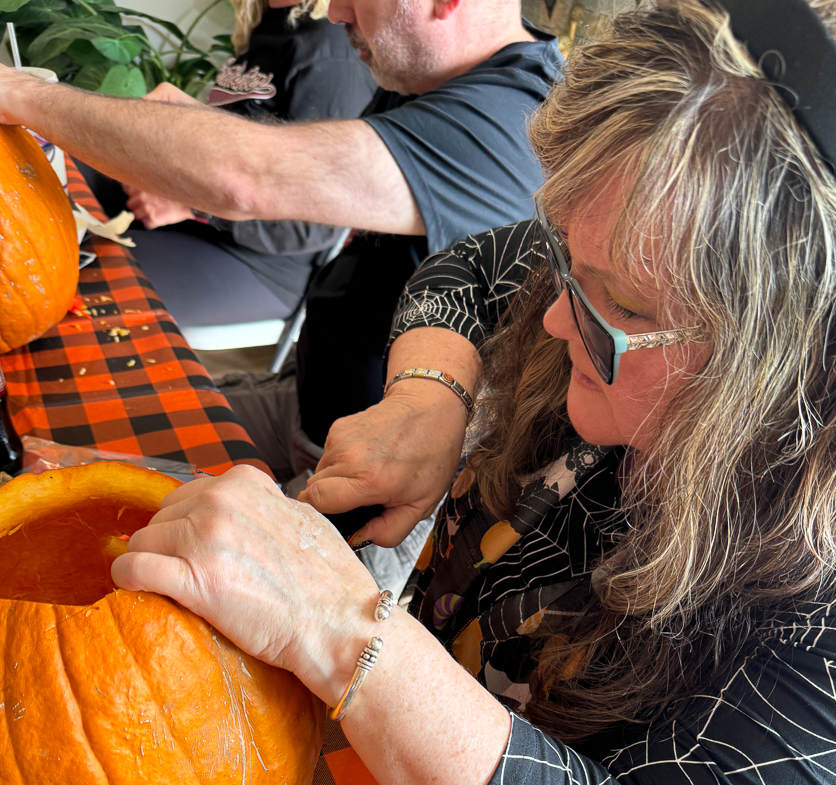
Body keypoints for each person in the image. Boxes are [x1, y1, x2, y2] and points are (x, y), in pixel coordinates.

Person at [28, 0, 836, 785]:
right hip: (421, 693)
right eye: (571, 264)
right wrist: (428, 397)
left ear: (787, 364)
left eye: (612, 304)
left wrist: (347, 630)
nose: (550, 315)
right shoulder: (625, 256)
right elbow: (481, 267)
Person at [0, 1, 563, 483]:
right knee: (52, 440)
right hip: (307, 400)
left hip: (377, 472)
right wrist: (199, 127)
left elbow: (247, 177)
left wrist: (21, 93)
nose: (336, 9)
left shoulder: (514, 121)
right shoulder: (433, 76)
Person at [79, 0, 377, 330]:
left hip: (261, 262)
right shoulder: (271, 22)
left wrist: (192, 203)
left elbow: (315, 225)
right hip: (206, 219)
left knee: (78, 277)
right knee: (64, 179)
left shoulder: (330, 51)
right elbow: (244, 142)